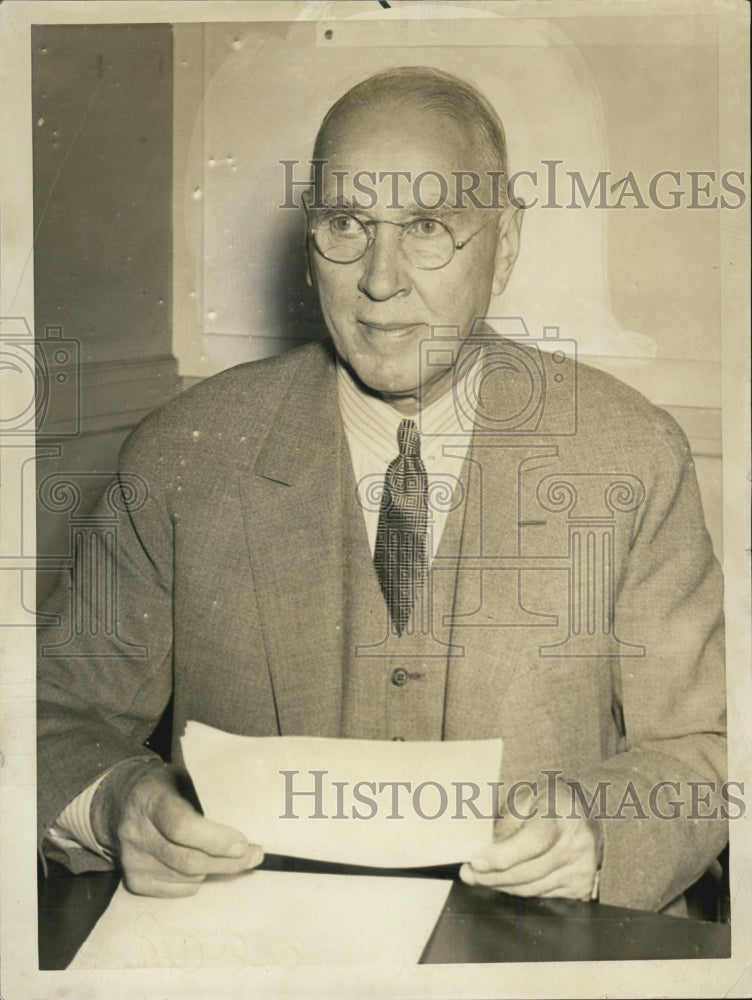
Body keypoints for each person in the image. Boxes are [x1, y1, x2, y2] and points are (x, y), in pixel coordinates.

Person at [37, 66, 727, 912]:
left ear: (505, 246)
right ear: (309, 245)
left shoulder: (632, 456)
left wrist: (601, 829)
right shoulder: (181, 455)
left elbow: (708, 745)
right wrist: (113, 805)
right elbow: (45, 716)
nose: (380, 278)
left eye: (429, 225)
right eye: (346, 224)